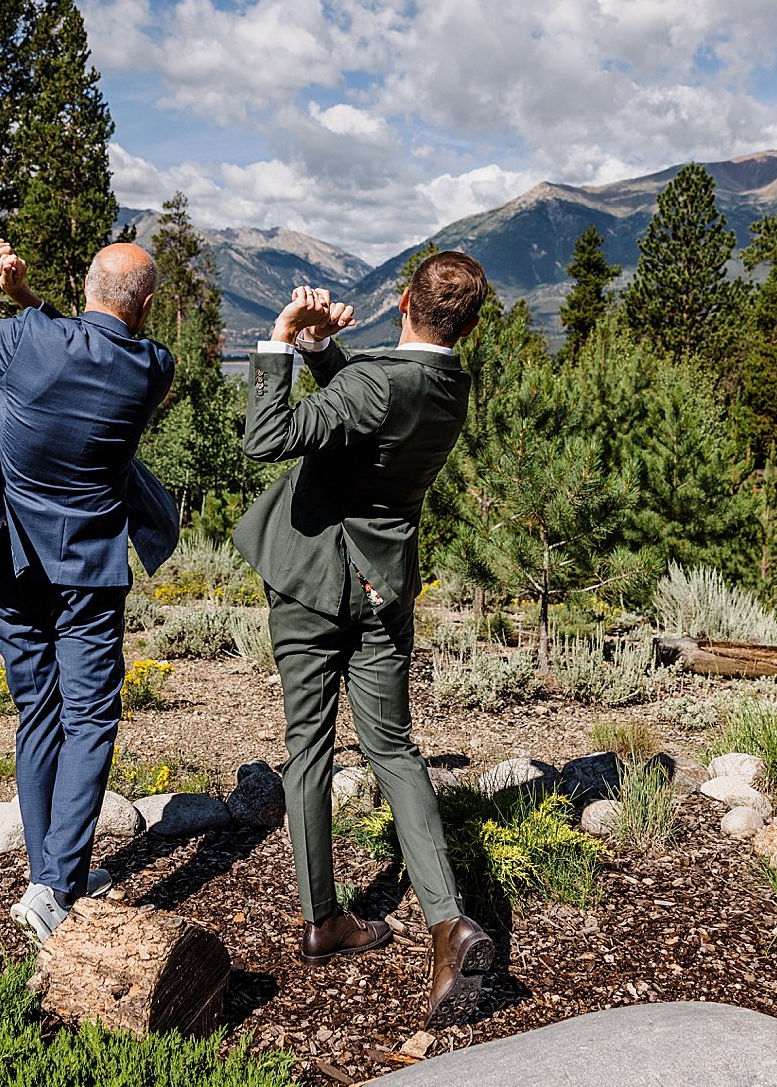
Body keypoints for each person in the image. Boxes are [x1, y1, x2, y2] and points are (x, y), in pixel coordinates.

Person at [232, 252, 494, 1027]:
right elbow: (367, 413)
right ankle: (447, 921)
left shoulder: (378, 379)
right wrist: (324, 354)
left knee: (308, 747)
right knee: (395, 749)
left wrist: (281, 341)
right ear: (469, 324)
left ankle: (323, 919)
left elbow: (266, 437)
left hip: (312, 579)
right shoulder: (449, 385)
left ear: (404, 299)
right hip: (384, 585)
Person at [0, 236, 177, 942]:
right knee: (89, 718)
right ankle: (56, 882)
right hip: (88, 572)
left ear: (86, 287)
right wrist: (29, 301)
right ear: (145, 305)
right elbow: (91, 339)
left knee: (38, 712)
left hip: (11, 560)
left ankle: (54, 873)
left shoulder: (24, 342)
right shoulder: (152, 367)